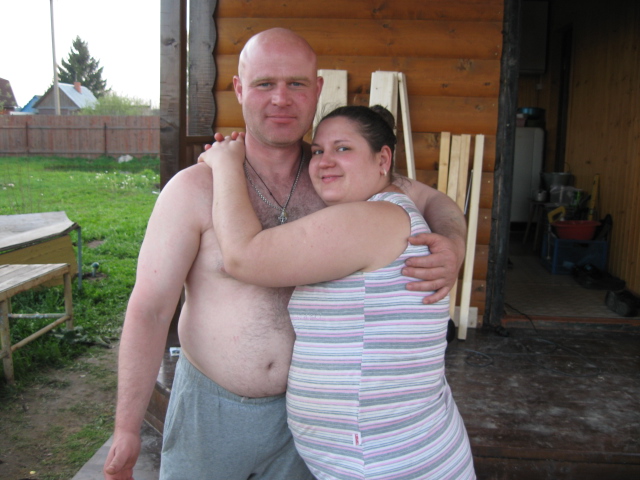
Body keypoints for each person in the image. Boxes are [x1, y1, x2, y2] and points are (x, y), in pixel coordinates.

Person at [103, 28, 467, 480]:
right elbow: (151, 309)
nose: (281, 99)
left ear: (317, 89)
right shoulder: (196, 188)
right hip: (211, 413)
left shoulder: (336, 177)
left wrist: (454, 242)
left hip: (310, 429)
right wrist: (126, 428)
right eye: (264, 84)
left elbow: (433, 200)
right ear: (239, 90)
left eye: (296, 83)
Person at [201, 105, 475, 479]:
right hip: (392, 453)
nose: (324, 161)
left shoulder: (372, 220)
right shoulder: (388, 208)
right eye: (317, 151)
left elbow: (243, 257)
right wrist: (455, 241)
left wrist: (225, 165)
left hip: (387, 463)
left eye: (343, 148)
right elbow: (437, 198)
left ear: (383, 160)